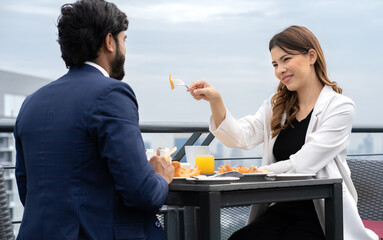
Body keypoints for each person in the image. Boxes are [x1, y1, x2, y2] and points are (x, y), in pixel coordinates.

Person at [189, 26, 378, 240]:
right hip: (281, 209)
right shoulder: (276, 105)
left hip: (322, 213)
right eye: (275, 64)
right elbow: (242, 135)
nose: (279, 70)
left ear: (311, 56)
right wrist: (216, 101)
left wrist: (255, 171)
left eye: (285, 59)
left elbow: (304, 164)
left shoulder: (340, 107)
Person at [13, 0, 174, 239]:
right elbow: (143, 193)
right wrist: (161, 176)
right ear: (109, 42)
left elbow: (27, 190)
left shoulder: (32, 102)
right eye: (124, 40)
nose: (125, 49)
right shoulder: (112, 94)